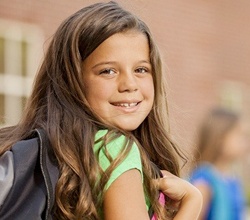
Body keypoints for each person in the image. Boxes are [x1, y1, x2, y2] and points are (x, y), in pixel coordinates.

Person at [0, 1, 202, 219]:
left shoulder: (67, 152)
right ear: (72, 80)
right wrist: (192, 203)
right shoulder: (114, 148)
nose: (129, 84)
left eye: (141, 69)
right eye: (108, 71)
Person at [189, 107, 248, 220]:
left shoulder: (233, 179)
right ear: (219, 138)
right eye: (240, 135)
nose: (245, 142)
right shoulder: (204, 181)